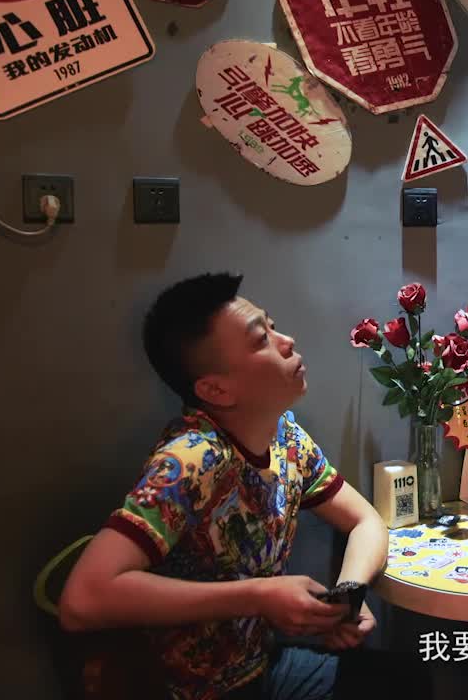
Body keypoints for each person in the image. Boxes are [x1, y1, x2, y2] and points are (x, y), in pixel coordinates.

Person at [59, 272, 392, 700]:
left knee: (398, 681)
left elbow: (366, 520)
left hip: (262, 669)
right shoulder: (190, 459)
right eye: (261, 339)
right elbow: (83, 600)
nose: (287, 341)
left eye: (273, 326)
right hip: (188, 690)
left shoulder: (287, 440)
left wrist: (347, 595)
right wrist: (259, 597)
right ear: (216, 389)